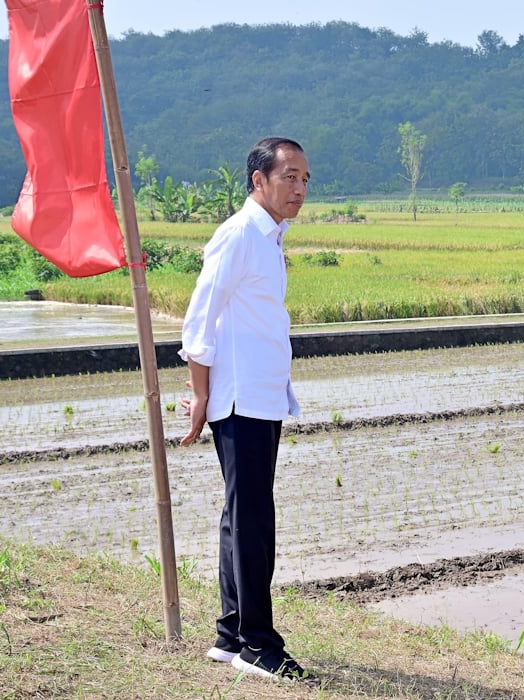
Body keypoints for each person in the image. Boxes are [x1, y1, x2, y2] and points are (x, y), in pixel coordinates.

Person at [179, 137, 316, 683]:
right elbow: (199, 322)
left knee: (242, 516)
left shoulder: (269, 238)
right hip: (240, 403)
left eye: (305, 178)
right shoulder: (239, 235)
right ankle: (259, 644)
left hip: (260, 397)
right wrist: (203, 398)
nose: (299, 188)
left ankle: (232, 633)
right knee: (254, 519)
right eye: (289, 177)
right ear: (258, 181)